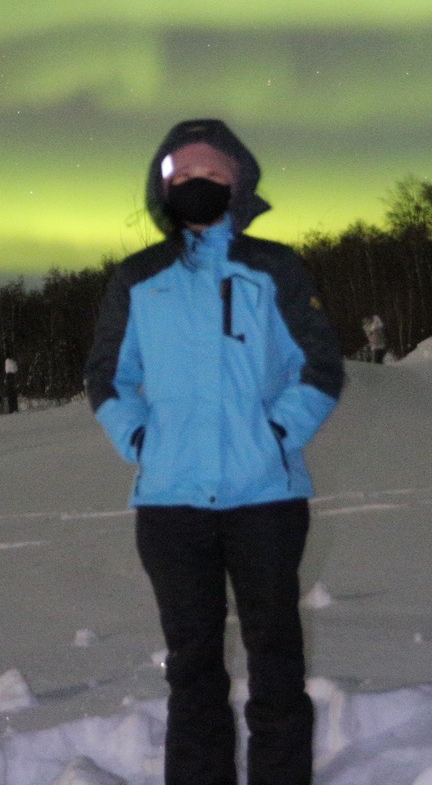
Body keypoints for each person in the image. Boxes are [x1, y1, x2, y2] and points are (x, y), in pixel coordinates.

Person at [86, 120, 346, 785]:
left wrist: (276, 435)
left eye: (211, 176)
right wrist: (144, 439)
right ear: (162, 190)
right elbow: (107, 378)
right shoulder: (139, 278)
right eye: (182, 178)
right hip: (172, 508)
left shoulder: (275, 268)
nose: (196, 186)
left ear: (237, 184)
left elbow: (318, 366)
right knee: (194, 670)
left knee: (276, 662)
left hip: (267, 500)